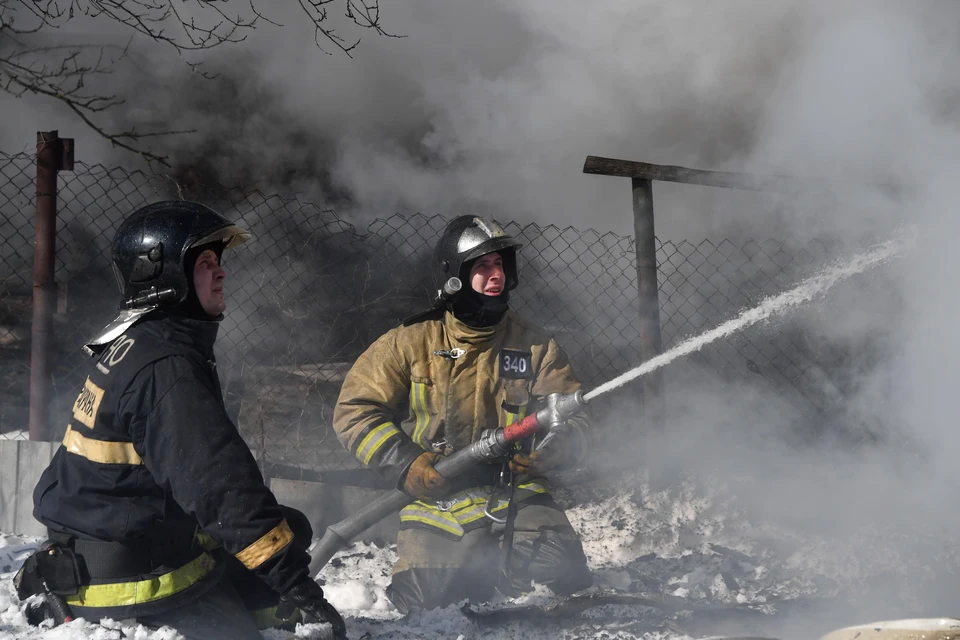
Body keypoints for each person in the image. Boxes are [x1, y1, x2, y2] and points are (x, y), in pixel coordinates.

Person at [15, 201, 346, 639]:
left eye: (217, 261)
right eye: (206, 262)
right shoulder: (166, 367)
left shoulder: (139, 342)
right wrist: (304, 592)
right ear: (164, 274)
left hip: (99, 550)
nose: (221, 272)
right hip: (127, 586)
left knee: (290, 531)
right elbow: (223, 490)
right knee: (258, 596)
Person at [333, 215, 594, 613]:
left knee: (560, 574)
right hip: (437, 492)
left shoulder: (535, 345)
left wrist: (557, 449)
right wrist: (409, 465)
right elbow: (355, 412)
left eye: (501, 265)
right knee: (427, 599)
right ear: (453, 277)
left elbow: (573, 415)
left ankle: (497, 566)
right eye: (483, 266)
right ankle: (476, 563)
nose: (497, 275)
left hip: (514, 490)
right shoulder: (411, 342)